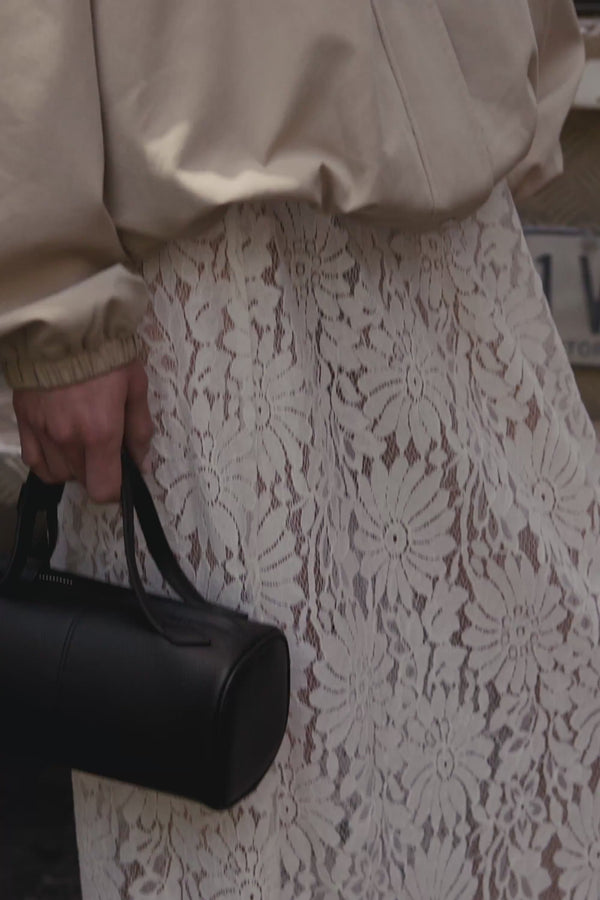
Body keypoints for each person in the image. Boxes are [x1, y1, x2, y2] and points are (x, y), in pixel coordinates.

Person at [1, 1, 599, 897]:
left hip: (438, 216)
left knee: (548, 709)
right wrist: (53, 300)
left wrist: (519, 62)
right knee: (261, 786)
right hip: (210, 270)